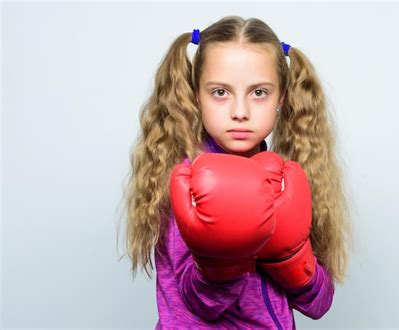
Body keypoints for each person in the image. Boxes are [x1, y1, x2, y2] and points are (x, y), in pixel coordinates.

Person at [117, 15, 354, 329]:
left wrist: (291, 257)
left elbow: (318, 303)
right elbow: (199, 304)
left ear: (281, 97)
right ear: (195, 95)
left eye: (259, 93)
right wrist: (225, 254)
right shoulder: (187, 182)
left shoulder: (284, 180)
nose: (240, 112)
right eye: (220, 92)